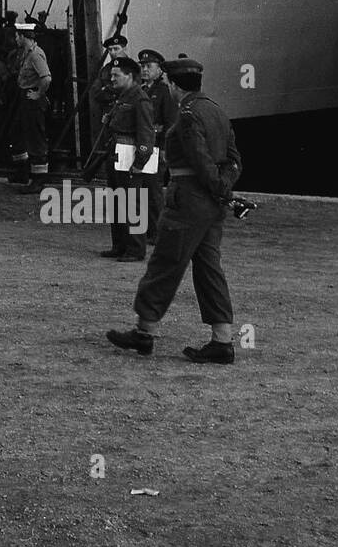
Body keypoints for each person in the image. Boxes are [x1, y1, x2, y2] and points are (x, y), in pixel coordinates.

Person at [108, 57, 242, 364]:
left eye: (167, 83)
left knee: (165, 264)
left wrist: (216, 186)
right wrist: (224, 189)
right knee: (209, 268)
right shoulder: (217, 111)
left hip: (187, 200)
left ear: (173, 85)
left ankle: (145, 331)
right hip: (212, 205)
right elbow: (234, 159)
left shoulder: (188, 115)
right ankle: (222, 339)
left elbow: (199, 159)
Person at [98, 56, 153, 261]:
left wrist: (139, 163)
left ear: (129, 76)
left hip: (129, 157)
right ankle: (120, 245)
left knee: (132, 203)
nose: (112, 79)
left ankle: (136, 249)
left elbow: (146, 133)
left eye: (116, 75)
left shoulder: (140, 99)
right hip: (116, 153)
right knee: (117, 201)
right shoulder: (123, 96)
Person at [137, 49, 178, 245]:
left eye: (148, 66)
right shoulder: (142, 90)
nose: (144, 69)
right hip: (143, 146)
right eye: (142, 66)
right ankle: (146, 229)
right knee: (143, 189)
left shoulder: (163, 92)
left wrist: (164, 148)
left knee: (153, 191)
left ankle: (157, 232)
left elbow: (170, 122)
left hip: (155, 146)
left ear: (159, 70)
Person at [7, 24, 53, 189]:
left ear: (22, 36)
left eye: (17, 36)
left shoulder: (35, 55)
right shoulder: (26, 53)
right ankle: (22, 172)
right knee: (16, 133)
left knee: (35, 138)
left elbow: (46, 78)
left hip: (32, 98)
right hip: (24, 97)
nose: (15, 39)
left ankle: (39, 179)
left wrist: (38, 94)